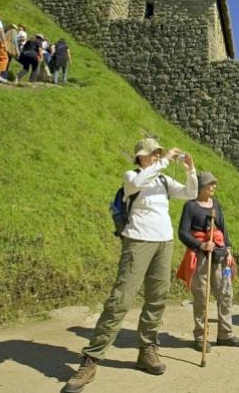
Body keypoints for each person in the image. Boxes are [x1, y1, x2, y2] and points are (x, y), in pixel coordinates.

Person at [64, 138, 197, 393]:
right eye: (152, 153)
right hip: (138, 242)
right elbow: (137, 183)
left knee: (157, 298)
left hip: (164, 243)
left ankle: (147, 350)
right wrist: (167, 160)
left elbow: (190, 193)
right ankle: (91, 359)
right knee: (120, 300)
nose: (157, 156)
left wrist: (190, 170)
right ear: (141, 157)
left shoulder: (162, 181)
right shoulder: (132, 177)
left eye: (158, 152)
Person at [178, 172, 239, 352]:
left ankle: (225, 334)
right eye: (210, 184)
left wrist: (229, 250)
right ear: (201, 187)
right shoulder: (190, 207)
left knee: (225, 294)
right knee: (201, 297)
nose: (214, 186)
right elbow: (183, 233)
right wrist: (201, 245)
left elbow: (223, 229)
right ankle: (201, 337)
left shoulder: (216, 205)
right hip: (201, 258)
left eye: (214, 184)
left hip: (220, 256)